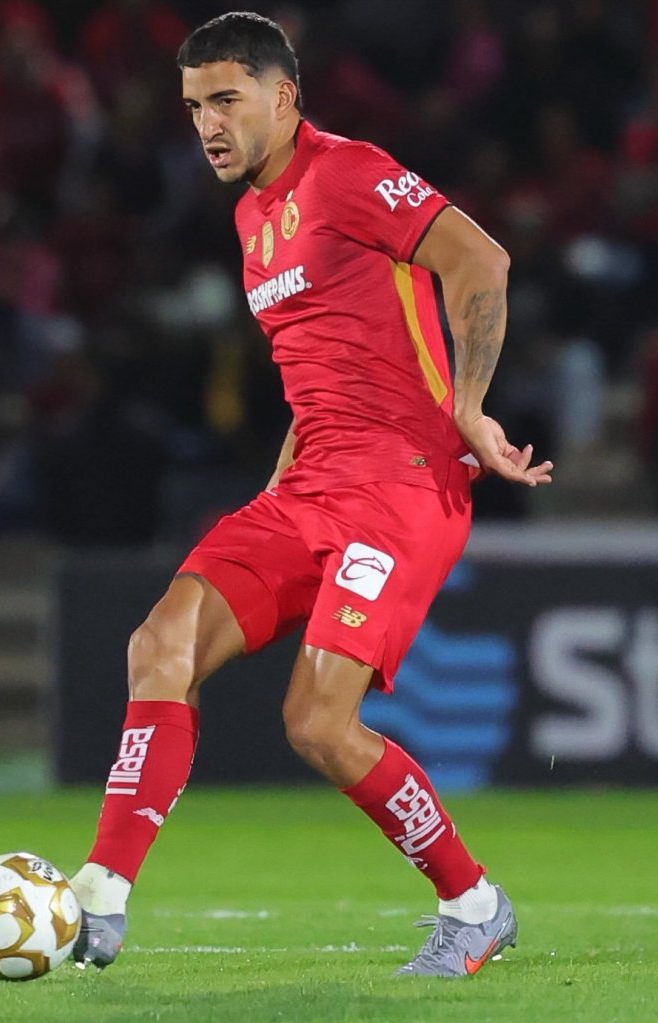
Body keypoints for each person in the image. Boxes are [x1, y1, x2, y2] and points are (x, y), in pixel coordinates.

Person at [70, 11, 553, 978]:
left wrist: (467, 404)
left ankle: (475, 905)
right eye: (193, 105)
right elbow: (321, 371)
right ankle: (98, 899)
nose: (206, 122)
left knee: (315, 723)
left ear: (283, 97)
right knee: (159, 642)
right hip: (307, 481)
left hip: (400, 486)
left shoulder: (347, 170)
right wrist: (276, 493)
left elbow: (479, 260)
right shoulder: (250, 216)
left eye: (225, 99)